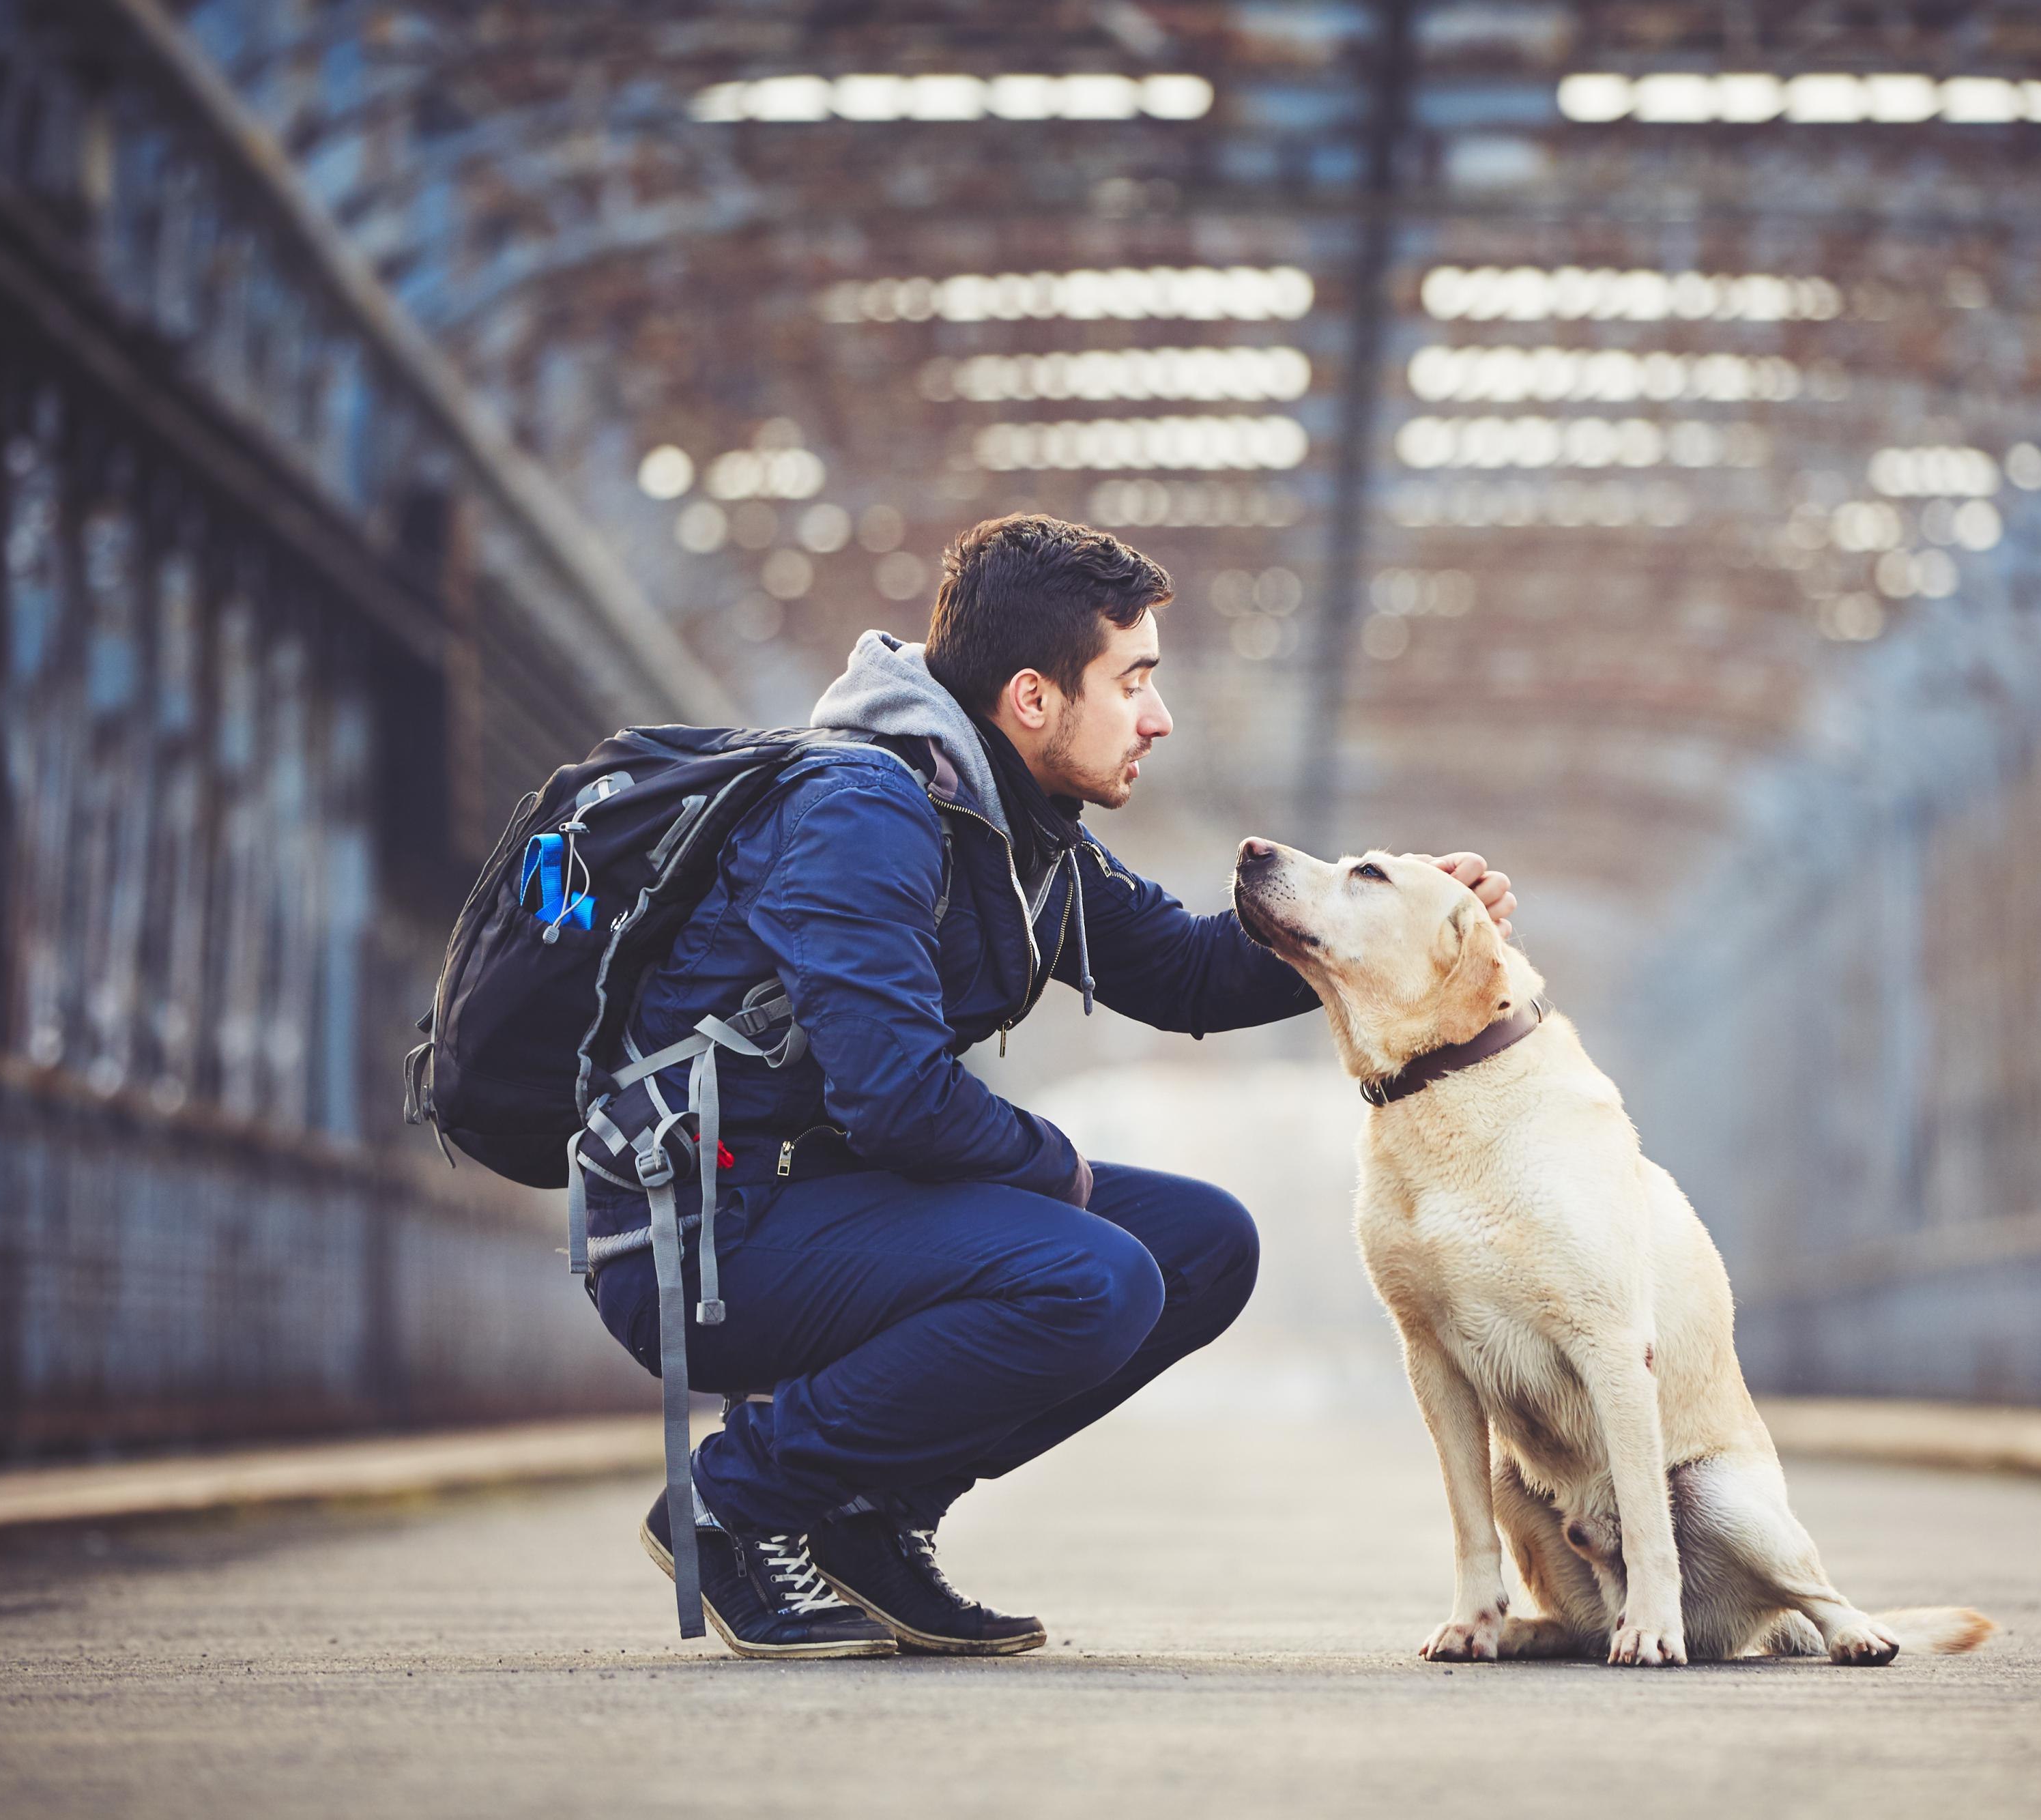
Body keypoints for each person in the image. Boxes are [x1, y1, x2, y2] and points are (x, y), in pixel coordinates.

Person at [586, 513, 1518, 1657]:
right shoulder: (861, 814)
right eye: (1134, 681)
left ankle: (873, 1519)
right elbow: (896, 1096)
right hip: (708, 1234)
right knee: (1093, 1278)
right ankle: (736, 1501)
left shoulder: (1023, 832)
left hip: (834, 1202)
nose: (1159, 717)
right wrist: (1060, 1171)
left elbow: (1182, 969)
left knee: (1202, 1245)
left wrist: (1367, 925)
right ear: (1033, 698)